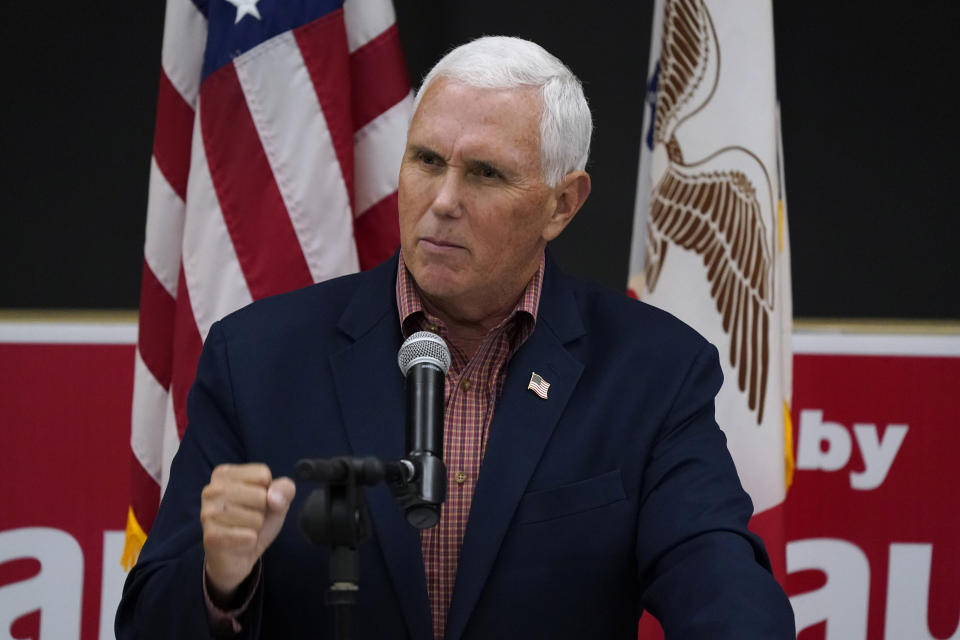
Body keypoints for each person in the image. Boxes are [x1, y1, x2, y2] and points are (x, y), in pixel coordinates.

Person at [116, 36, 795, 639]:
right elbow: (147, 622)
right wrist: (221, 580)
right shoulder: (258, 359)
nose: (442, 200)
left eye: (485, 173)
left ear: (562, 203)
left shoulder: (653, 371)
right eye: (427, 160)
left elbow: (717, 578)